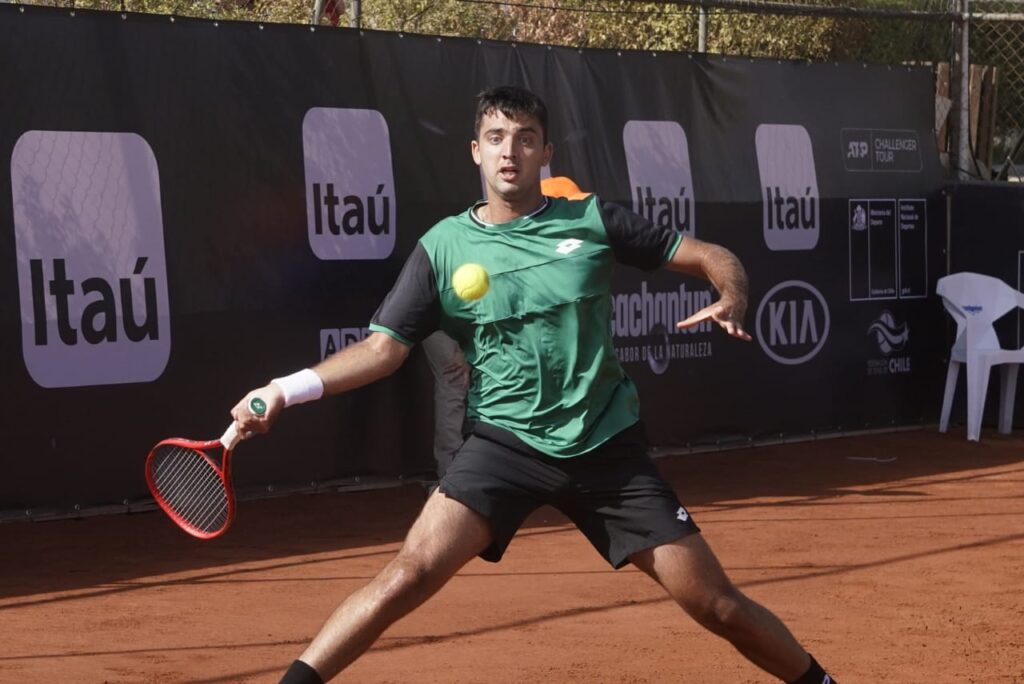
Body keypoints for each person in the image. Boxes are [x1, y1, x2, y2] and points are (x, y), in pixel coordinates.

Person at [231, 85, 838, 684]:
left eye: (525, 139)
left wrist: (731, 293)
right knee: (408, 574)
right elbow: (382, 350)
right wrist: (285, 388)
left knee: (718, 605)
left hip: (605, 445)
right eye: (496, 138)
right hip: (503, 444)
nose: (509, 152)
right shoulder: (442, 248)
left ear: (546, 152)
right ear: (475, 150)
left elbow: (710, 255)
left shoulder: (593, 219)